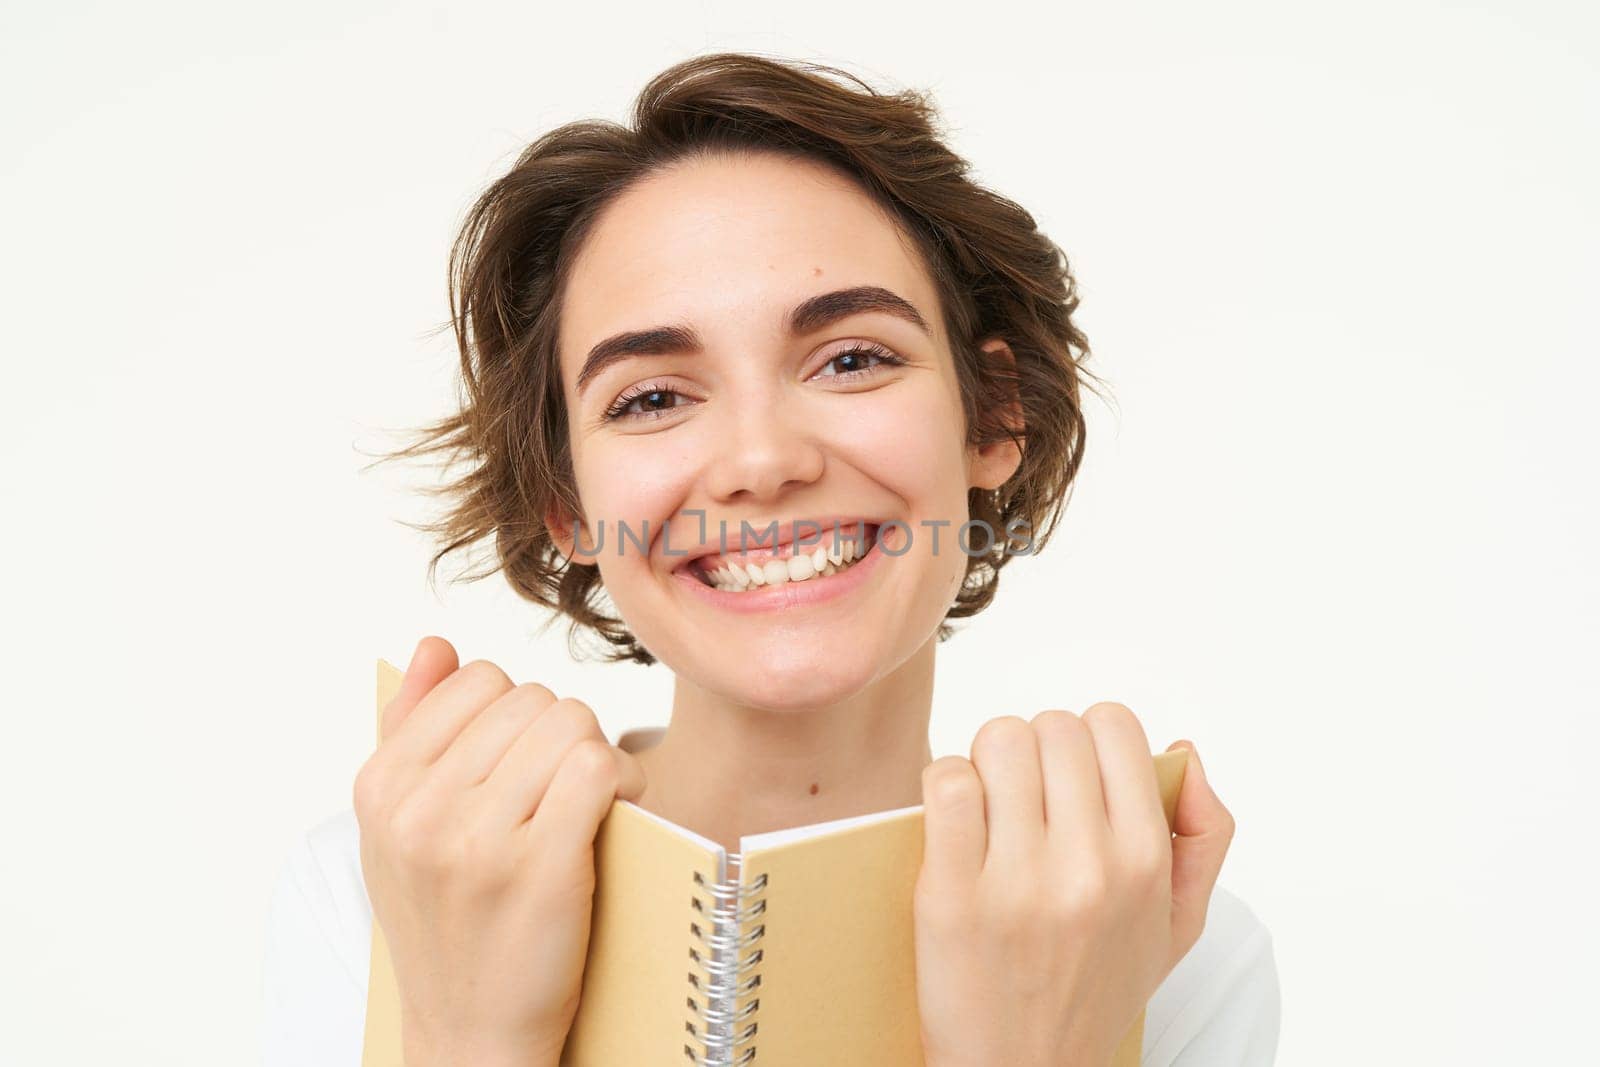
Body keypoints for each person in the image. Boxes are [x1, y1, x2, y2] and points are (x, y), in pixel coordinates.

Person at [261, 52, 1280, 1066]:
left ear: (992, 413)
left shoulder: (1156, 930)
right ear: (563, 499)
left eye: (851, 359)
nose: (762, 461)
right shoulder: (388, 884)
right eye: (652, 397)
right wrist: (464, 1033)